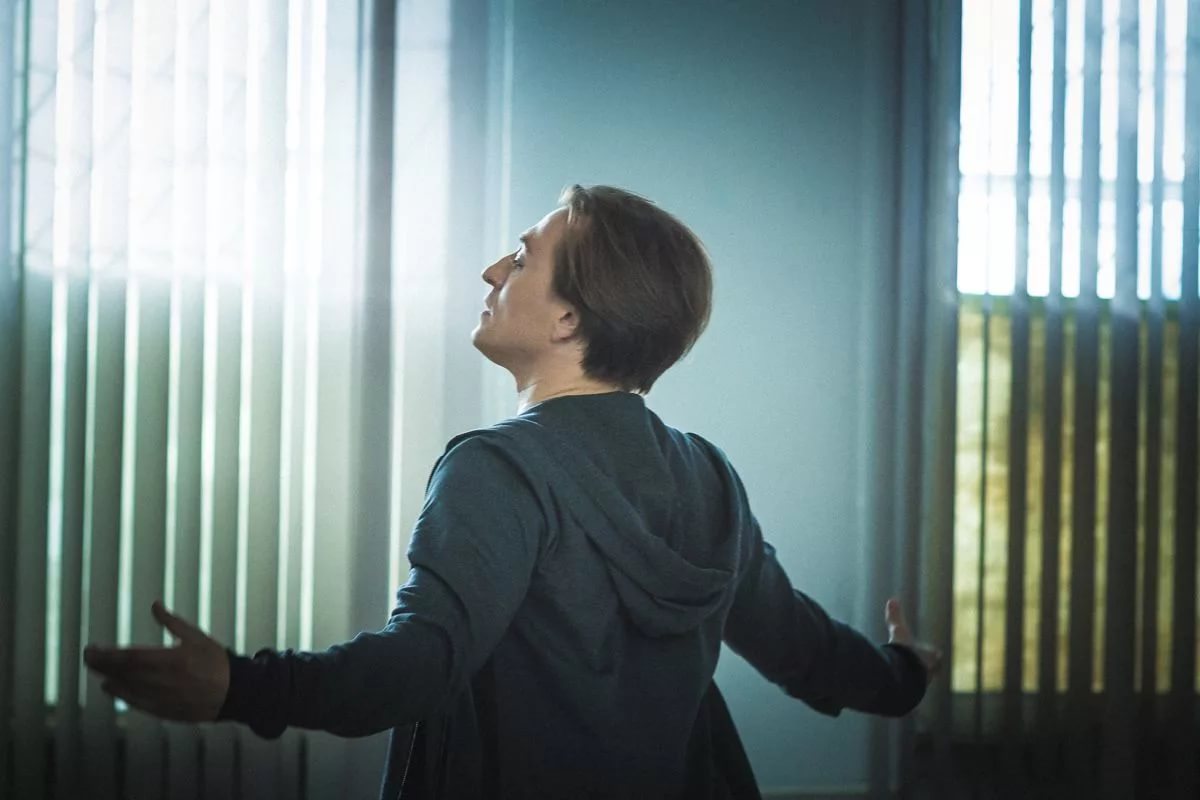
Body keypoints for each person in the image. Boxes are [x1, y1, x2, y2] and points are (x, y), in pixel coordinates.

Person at [84, 185, 942, 799]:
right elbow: (805, 649)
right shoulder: (708, 476)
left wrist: (242, 686)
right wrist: (904, 673)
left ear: (570, 319)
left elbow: (421, 666)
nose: (494, 269)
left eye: (524, 257)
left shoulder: (497, 470)